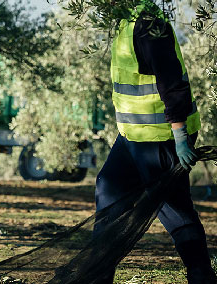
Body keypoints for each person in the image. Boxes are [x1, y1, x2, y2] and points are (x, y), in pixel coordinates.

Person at [95, 1, 216, 283]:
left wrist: (180, 137)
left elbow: (171, 80)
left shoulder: (149, 22)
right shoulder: (125, 20)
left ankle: (202, 277)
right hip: (131, 136)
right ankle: (96, 275)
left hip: (160, 136)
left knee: (174, 209)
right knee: (107, 189)